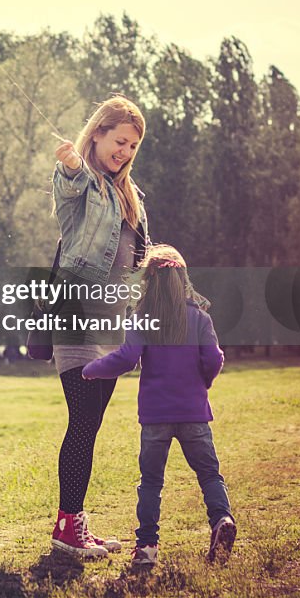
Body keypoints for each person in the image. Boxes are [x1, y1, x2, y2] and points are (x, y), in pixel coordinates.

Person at [82, 244, 236, 569]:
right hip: (194, 414)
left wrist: (91, 369)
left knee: (151, 481)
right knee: (209, 474)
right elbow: (214, 359)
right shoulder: (200, 318)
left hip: (155, 417)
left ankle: (147, 548)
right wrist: (202, 385)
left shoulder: (143, 319)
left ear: (149, 282)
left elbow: (126, 358)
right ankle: (221, 520)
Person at [49, 95, 149, 559]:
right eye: (119, 141)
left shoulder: (132, 197)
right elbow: (70, 184)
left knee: (90, 425)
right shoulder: (82, 183)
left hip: (112, 326)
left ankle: (74, 525)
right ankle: (68, 529)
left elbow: (136, 263)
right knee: (83, 422)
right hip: (76, 317)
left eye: (132, 146)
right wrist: (71, 164)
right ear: (98, 134)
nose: (124, 151)